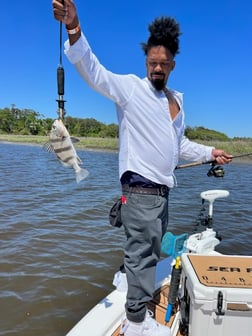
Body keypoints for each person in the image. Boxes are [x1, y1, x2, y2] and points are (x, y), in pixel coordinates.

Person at [52, 1, 232, 335]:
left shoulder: (176, 101)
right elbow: (94, 71)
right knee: (143, 258)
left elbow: (179, 147)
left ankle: (127, 285)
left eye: (163, 64)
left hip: (161, 195)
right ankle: (136, 324)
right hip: (139, 193)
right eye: (152, 63)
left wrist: (211, 152)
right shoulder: (132, 90)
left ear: (173, 64)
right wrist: (74, 29)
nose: (157, 69)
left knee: (148, 252)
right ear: (145, 62)